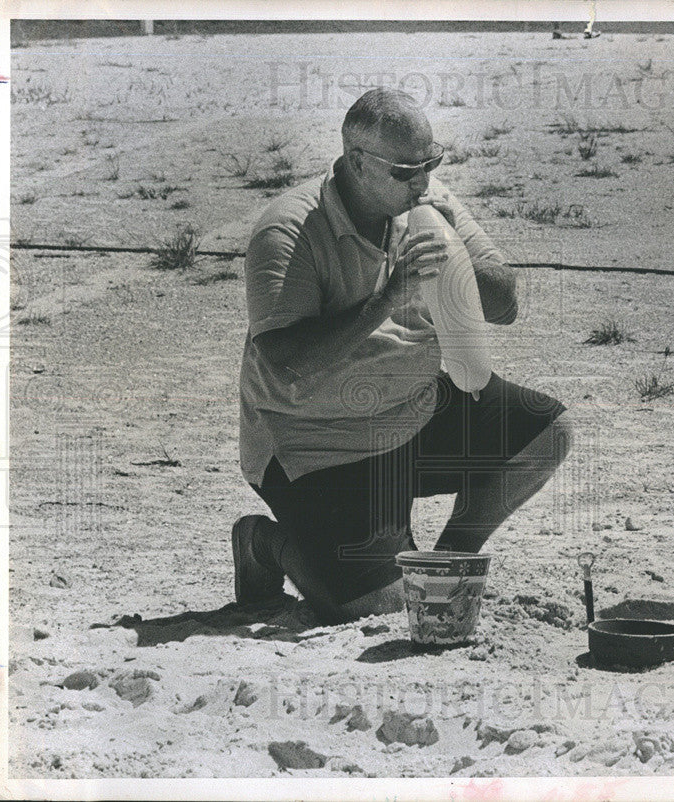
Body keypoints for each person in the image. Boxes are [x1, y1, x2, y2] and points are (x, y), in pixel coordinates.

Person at [232, 88, 573, 624]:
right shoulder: (290, 229)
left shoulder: (430, 203)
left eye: (431, 163)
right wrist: (387, 298)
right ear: (357, 161)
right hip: (314, 441)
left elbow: (505, 306)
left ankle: (445, 564)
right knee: (373, 609)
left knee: (547, 431)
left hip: (409, 412)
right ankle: (263, 542)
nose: (422, 181)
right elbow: (285, 366)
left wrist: (458, 248)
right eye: (406, 170)